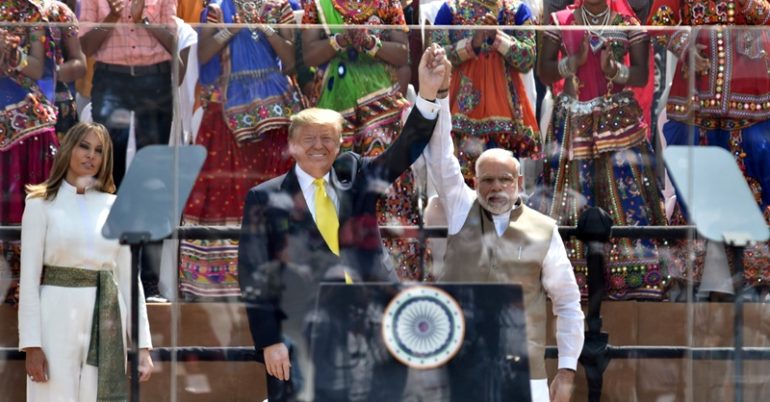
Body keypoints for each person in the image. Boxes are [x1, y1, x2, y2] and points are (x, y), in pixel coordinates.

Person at [237, 44, 449, 402]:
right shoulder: (265, 198)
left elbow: (403, 151)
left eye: (327, 138)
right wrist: (269, 341)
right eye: (309, 138)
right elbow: (253, 275)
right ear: (292, 145)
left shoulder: (356, 175)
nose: (319, 146)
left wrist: (427, 94)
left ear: (339, 144)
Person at [422, 103, 585, 402]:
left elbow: (567, 303)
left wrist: (566, 371)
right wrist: (439, 97)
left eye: (505, 179)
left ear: (518, 183)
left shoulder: (544, 230)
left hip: (525, 377)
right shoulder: (461, 210)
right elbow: (441, 156)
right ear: (475, 183)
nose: (496, 187)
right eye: (487, 180)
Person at [533, 0, 669, 300]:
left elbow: (641, 76)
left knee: (626, 190)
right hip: (573, 120)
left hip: (617, 120)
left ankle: (632, 276)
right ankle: (573, 277)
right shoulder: (561, 20)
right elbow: (544, 72)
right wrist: (574, 62)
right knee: (574, 193)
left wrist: (614, 70)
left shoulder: (628, 25)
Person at [18, 122, 153, 401]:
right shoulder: (40, 204)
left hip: (107, 320)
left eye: (99, 150)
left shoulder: (116, 207)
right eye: (84, 146)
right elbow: (28, 281)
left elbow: (130, 280)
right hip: (55, 317)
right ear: (69, 148)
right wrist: (31, 345)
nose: (91, 155)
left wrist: (142, 347)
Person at [178, 0, 303, 300]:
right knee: (224, 195)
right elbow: (204, 55)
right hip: (224, 117)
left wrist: (265, 27)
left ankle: (277, 278)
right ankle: (221, 283)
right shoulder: (216, 9)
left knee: (272, 196)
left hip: (273, 118)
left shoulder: (280, 7)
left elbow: (291, 63)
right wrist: (231, 29)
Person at [648, 0, 770, 296]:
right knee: (696, 176)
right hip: (697, 95)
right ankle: (701, 271)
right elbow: (659, 20)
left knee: (754, 162)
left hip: (749, 95)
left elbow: (764, 15)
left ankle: (752, 268)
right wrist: (686, 49)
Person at [301, 0, 422, 280]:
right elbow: (309, 56)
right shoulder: (318, 4)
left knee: (388, 188)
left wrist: (369, 42)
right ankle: (337, 276)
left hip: (381, 109)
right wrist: (341, 40)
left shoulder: (388, 3)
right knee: (335, 191)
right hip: (334, 109)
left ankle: (397, 276)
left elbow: (402, 53)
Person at [79, 0, 178, 301]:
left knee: (152, 180)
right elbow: (86, 46)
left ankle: (149, 282)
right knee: (107, 175)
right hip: (111, 80)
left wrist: (144, 17)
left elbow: (174, 43)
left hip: (155, 80)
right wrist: (112, 14)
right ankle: (107, 272)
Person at [430, 0, 541, 185]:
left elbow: (528, 59)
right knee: (464, 185)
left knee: (502, 185)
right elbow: (436, 57)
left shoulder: (517, 10)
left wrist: (497, 38)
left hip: (505, 117)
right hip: (461, 115)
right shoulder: (451, 9)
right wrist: (472, 44)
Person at [0, 0, 61, 304]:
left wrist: (13, 54)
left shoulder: (30, 10)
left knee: (33, 216)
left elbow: (37, 68)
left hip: (27, 127)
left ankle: (30, 294)